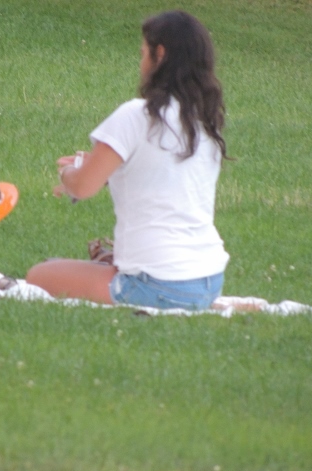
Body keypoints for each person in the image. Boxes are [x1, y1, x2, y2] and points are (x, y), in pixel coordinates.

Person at [26, 11, 232, 310]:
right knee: (62, 268)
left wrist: (69, 173)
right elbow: (160, 171)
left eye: (143, 53)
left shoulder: (137, 114)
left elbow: (82, 187)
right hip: (209, 280)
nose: (140, 63)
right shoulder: (203, 121)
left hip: (156, 283)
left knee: (40, 275)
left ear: (159, 55)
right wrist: (99, 165)